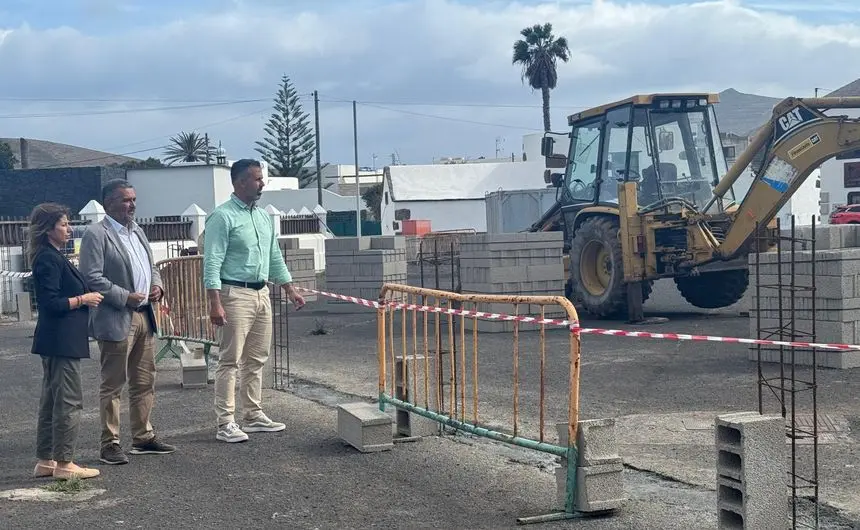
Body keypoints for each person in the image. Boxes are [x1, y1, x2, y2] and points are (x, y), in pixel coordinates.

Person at [203, 158, 305, 443]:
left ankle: (253, 414)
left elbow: (274, 256)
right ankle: (225, 422)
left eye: (262, 179)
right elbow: (212, 261)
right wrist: (215, 301)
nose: (262, 184)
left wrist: (290, 289)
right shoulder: (222, 217)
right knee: (230, 360)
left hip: (261, 293)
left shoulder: (262, 217)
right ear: (239, 182)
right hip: (234, 294)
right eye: (257, 179)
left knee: (257, 358)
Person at [78, 179, 176, 465]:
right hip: (117, 316)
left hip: (146, 314)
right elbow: (92, 277)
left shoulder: (138, 232)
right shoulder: (97, 234)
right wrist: (125, 296)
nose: (132, 205)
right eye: (125, 200)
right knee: (113, 384)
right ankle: (109, 443)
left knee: (145, 380)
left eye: (133, 199)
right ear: (108, 203)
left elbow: (151, 267)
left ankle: (143, 437)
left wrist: (157, 286)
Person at [29, 203, 103, 480]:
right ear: (49, 229)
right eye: (63, 224)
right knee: (69, 402)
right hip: (61, 340)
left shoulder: (50, 256)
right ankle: (64, 462)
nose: (69, 229)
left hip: (56, 340)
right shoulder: (48, 258)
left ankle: (46, 459)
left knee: (51, 401)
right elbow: (50, 304)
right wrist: (84, 299)